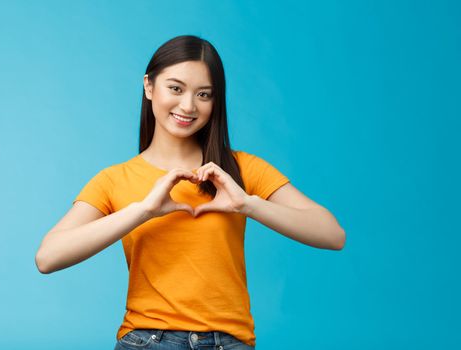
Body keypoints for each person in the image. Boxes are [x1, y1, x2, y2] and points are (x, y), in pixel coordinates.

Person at [35, 35, 346, 350]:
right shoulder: (115, 179)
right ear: (148, 86)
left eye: (203, 94)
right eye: (175, 88)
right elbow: (48, 257)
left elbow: (332, 234)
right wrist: (143, 210)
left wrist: (247, 204)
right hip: (148, 340)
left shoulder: (240, 170)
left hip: (230, 343)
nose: (188, 105)